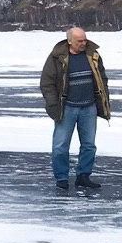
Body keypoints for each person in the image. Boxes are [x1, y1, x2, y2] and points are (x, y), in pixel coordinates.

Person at [40, 26, 111, 191]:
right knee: (60, 145)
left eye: (85, 39)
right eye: (80, 41)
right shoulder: (57, 58)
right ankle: (62, 179)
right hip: (67, 108)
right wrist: (53, 104)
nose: (83, 43)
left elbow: (102, 78)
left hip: (89, 107)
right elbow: (47, 82)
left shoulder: (92, 55)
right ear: (70, 41)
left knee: (89, 145)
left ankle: (84, 176)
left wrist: (104, 100)